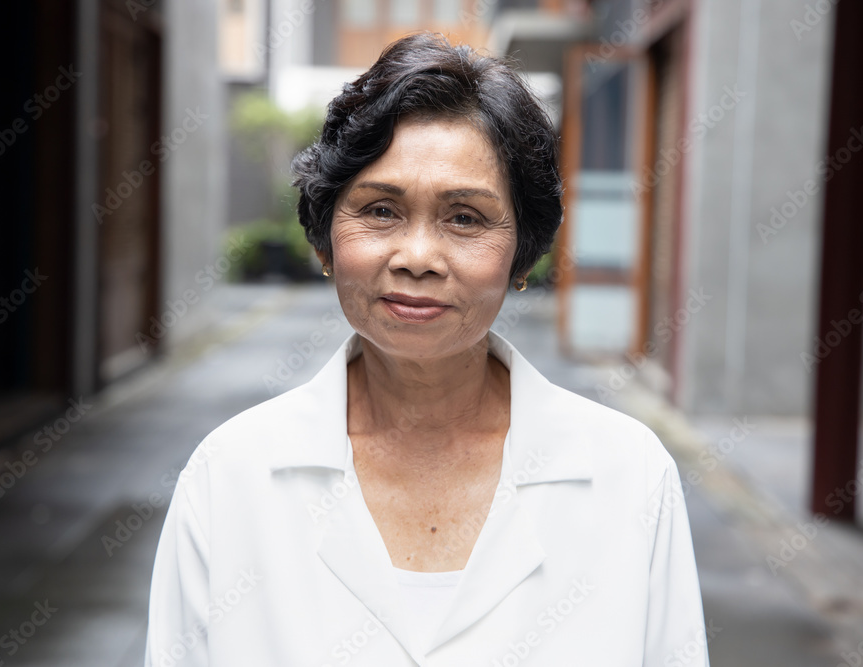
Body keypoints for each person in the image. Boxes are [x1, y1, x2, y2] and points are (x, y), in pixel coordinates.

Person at [145, 33, 709, 666]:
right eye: (381, 210)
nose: (416, 258)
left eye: (465, 217)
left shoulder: (628, 479)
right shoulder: (231, 478)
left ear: (523, 254)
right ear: (326, 240)